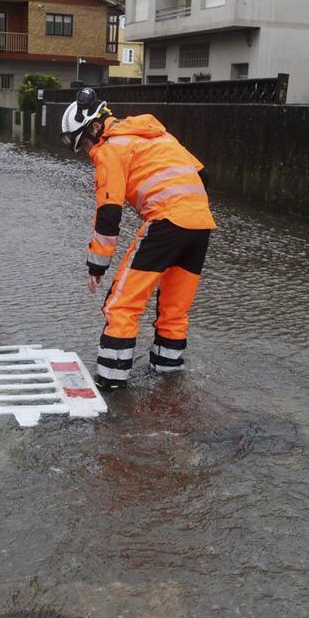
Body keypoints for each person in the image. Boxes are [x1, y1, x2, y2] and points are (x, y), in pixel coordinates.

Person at [61, 88, 216, 391]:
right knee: (174, 309)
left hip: (166, 222)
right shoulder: (158, 135)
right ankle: (168, 381)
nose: (87, 153)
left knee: (121, 306)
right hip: (200, 226)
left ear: (95, 127)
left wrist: (96, 266)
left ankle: (112, 386)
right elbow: (204, 176)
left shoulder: (111, 149)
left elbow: (108, 214)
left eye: (84, 145)